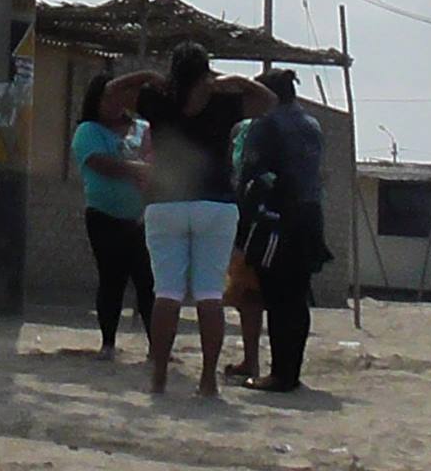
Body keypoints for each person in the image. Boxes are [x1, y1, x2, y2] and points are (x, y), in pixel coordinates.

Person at [136, 43, 274, 398]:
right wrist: (234, 79)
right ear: (205, 71)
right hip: (215, 205)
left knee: (165, 293)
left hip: (166, 205)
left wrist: (147, 76)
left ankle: (158, 377)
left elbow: (110, 93)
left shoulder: (158, 100)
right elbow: (267, 101)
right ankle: (208, 380)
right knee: (209, 296)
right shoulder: (223, 103)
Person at [240, 68, 332, 394]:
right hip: (310, 216)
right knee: (296, 298)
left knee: (277, 296)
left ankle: (280, 374)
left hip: (277, 219)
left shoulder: (266, 125)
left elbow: (252, 175)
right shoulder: (312, 125)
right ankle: (291, 370)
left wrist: (243, 222)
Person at [71, 71, 156, 360]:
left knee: (147, 280)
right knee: (112, 278)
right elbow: (99, 163)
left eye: (118, 95)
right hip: (104, 215)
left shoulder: (142, 128)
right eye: (107, 97)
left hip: (142, 216)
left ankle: (157, 344)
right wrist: (137, 169)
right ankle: (108, 342)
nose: (114, 103)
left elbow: (155, 161)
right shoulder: (88, 131)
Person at [222, 81, 278, 382]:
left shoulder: (257, 131)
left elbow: (244, 175)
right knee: (255, 294)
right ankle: (262, 364)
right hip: (275, 221)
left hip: (255, 222)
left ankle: (255, 363)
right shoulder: (300, 127)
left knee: (250, 294)